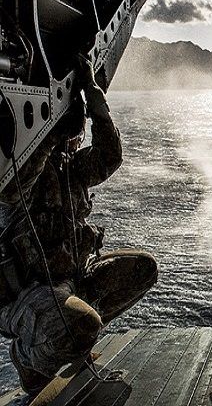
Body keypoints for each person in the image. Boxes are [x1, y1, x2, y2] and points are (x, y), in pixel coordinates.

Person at [0, 58, 158, 395]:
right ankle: (27, 356)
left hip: (72, 279)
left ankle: (74, 325)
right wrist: (49, 133)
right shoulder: (17, 168)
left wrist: (92, 92)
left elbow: (109, 156)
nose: (74, 140)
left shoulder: (71, 168)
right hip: (25, 294)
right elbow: (14, 188)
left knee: (143, 269)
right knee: (79, 328)